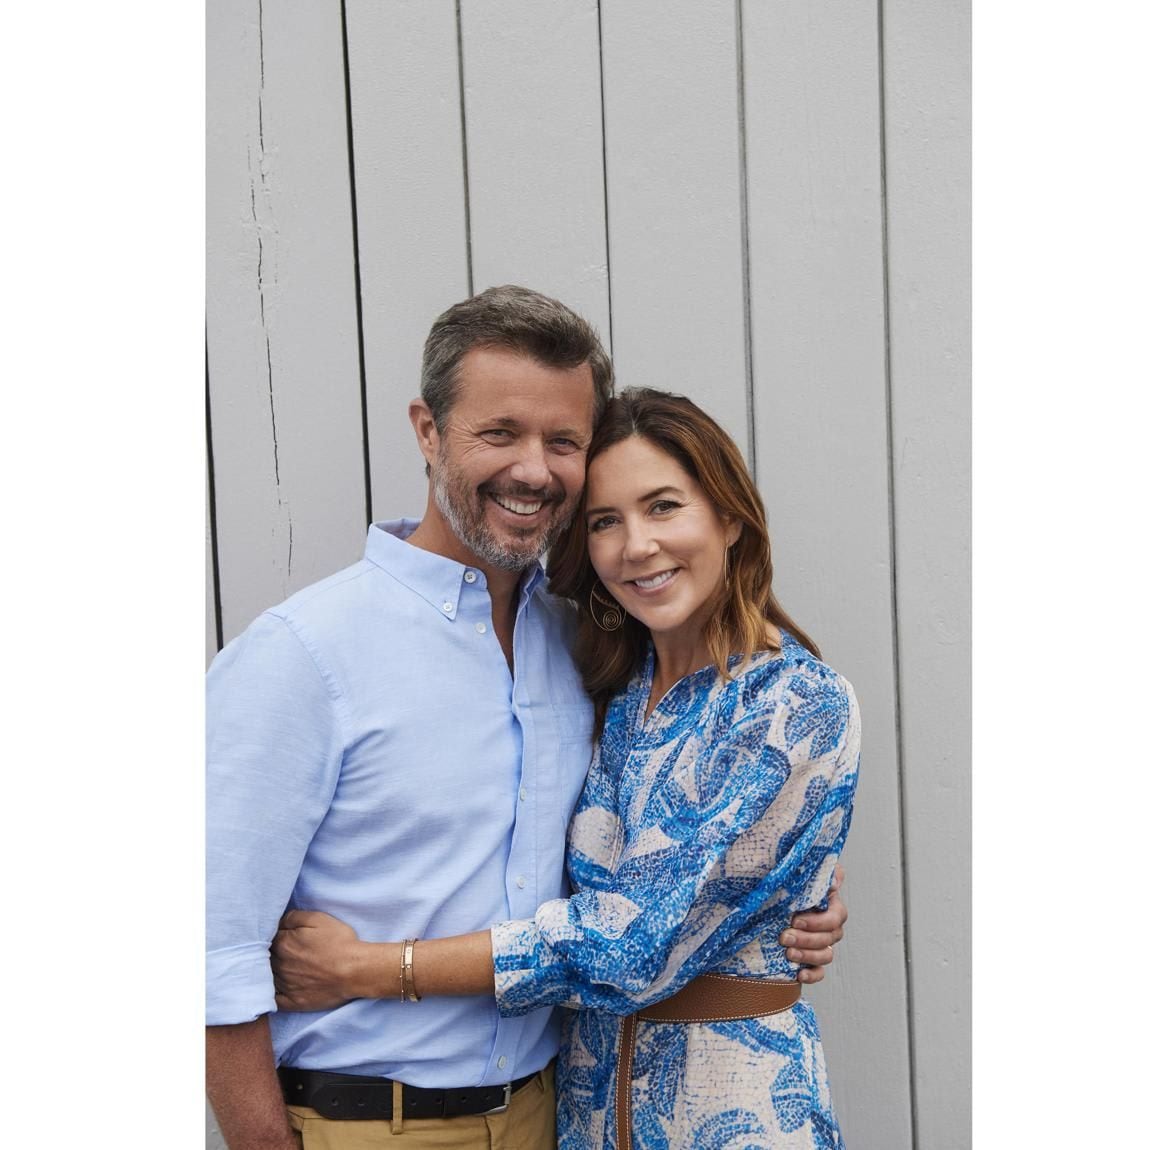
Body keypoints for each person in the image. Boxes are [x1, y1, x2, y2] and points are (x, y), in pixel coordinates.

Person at [206, 286, 848, 1150]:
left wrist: (783, 906)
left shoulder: (584, 647)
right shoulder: (305, 653)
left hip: (555, 1115)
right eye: (499, 432)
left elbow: (644, 911)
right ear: (429, 432)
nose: (534, 469)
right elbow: (210, 949)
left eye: (563, 442)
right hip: (369, 1124)